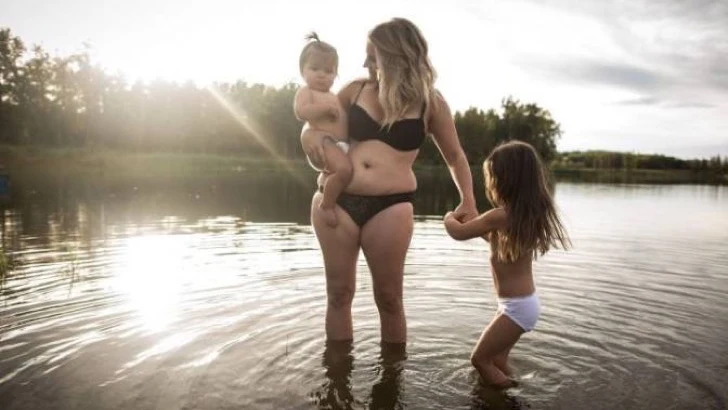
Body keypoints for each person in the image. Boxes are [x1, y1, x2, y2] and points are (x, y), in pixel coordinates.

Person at [301, 17, 478, 345]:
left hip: (391, 206)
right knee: (339, 295)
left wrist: (468, 199)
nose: (365, 63)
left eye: (373, 55)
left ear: (396, 56)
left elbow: (455, 156)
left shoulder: (431, 103)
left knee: (390, 299)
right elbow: (320, 130)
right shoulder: (354, 91)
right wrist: (311, 144)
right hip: (337, 202)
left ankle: (392, 386)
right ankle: (337, 380)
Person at [443, 140, 571, 388]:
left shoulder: (499, 216)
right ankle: (508, 387)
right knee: (497, 359)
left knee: (479, 359)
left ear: (505, 180)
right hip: (522, 305)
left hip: (516, 308)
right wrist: (477, 224)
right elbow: (496, 241)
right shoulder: (523, 217)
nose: (491, 184)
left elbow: (457, 232)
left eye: (493, 177)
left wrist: (449, 217)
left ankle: (511, 397)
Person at [295, 32, 351, 227]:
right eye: (315, 68)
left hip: (339, 145)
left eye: (328, 70)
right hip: (325, 143)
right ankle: (327, 205)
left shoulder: (335, 95)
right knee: (344, 170)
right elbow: (301, 112)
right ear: (303, 71)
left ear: (336, 74)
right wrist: (324, 109)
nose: (321, 74)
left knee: (343, 170)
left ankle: (332, 191)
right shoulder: (306, 92)